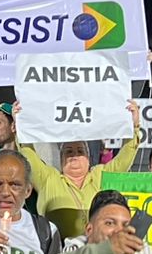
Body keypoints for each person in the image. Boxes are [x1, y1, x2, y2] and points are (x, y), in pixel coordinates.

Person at [16, 101, 142, 240]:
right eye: (69, 151)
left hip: (96, 249)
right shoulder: (48, 178)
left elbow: (123, 160)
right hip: (57, 250)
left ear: (88, 159)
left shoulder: (100, 175)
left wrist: (134, 126)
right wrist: (21, 123)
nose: (74, 155)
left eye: (80, 151)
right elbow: (27, 153)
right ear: (61, 159)